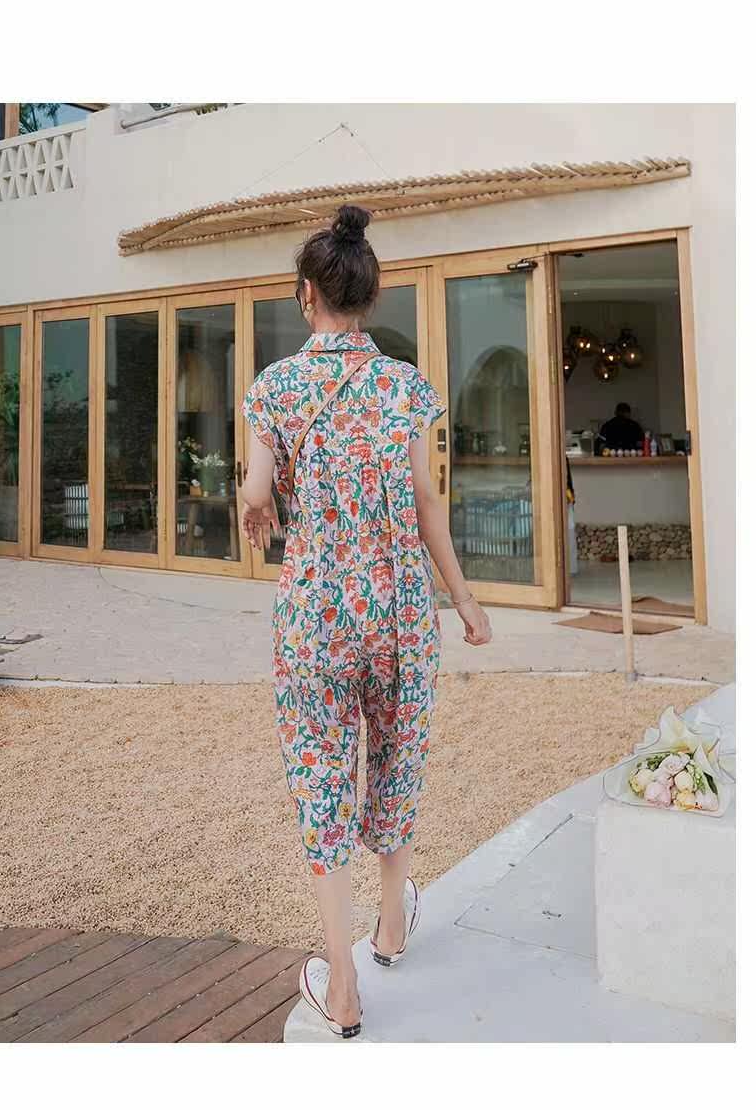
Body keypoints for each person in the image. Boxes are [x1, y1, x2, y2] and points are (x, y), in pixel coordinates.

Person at [241, 204, 492, 1038]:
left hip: (316, 610)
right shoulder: (405, 387)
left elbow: (255, 492)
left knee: (320, 773)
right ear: (370, 298)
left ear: (307, 295)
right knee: (395, 756)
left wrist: (256, 507)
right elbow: (426, 503)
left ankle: (342, 984)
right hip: (399, 609)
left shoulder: (274, 388)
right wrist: (463, 597)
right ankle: (390, 925)